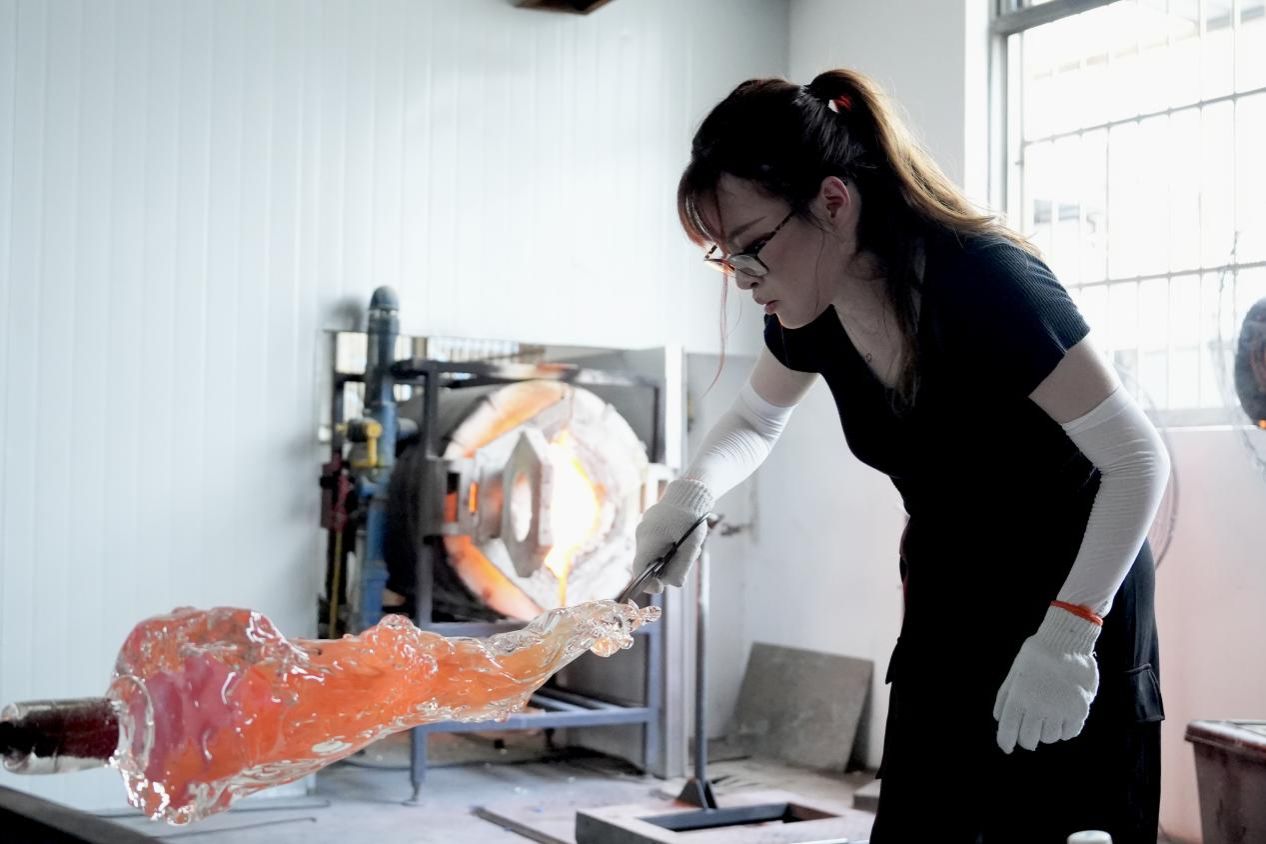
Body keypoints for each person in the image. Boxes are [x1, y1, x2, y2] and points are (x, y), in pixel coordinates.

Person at [630, 69, 1171, 844]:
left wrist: (1070, 633)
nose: (745, 280)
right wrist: (689, 496)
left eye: (752, 248)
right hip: (950, 596)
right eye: (726, 258)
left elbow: (1136, 458)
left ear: (833, 202)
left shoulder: (985, 281)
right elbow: (754, 418)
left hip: (1074, 590)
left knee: (1047, 825)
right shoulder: (809, 304)